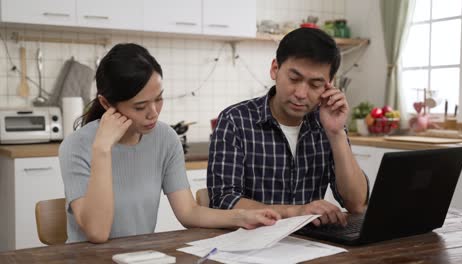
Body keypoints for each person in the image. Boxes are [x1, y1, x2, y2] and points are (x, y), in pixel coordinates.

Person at [59, 43, 280, 244]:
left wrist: (242, 217)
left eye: (159, 98)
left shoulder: (164, 138)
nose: (153, 113)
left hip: (141, 257)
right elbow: (97, 233)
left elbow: (189, 212)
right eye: (140, 106)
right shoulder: (77, 146)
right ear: (107, 103)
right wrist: (102, 150)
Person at [207, 27, 368, 227]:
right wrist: (295, 212)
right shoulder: (235, 121)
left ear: (329, 84)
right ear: (275, 69)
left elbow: (357, 204)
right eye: (294, 79)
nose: (301, 93)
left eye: (315, 84)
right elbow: (223, 201)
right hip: (248, 245)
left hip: (313, 244)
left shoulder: (327, 123)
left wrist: (336, 134)